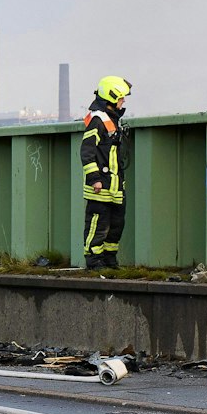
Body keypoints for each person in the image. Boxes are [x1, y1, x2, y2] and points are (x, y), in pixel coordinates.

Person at [80, 76, 132, 271]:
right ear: (112, 97)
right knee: (98, 224)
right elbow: (87, 152)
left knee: (116, 225)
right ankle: (94, 261)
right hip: (100, 187)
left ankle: (110, 260)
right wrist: (95, 179)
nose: (123, 101)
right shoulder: (98, 120)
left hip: (115, 187)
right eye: (121, 97)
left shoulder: (112, 120)